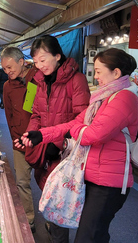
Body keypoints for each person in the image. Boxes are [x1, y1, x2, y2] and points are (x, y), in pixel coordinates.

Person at [18, 48, 138, 243]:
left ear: (116, 73)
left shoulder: (124, 98)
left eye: (99, 71)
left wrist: (78, 130)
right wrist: (41, 135)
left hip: (109, 183)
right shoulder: (102, 98)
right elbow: (75, 123)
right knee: (94, 233)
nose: (96, 76)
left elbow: (93, 135)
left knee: (88, 236)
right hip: (90, 176)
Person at [22, 35, 90, 241]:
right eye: (35, 62)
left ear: (58, 56)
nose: (39, 66)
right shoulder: (39, 82)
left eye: (43, 60)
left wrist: (58, 142)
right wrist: (31, 137)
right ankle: (53, 229)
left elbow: (83, 117)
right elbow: (35, 114)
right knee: (49, 196)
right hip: (45, 150)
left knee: (60, 204)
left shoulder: (76, 80)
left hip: (66, 154)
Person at [0, 47, 39, 232]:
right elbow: (8, 114)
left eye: (10, 67)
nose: (8, 72)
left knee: (47, 183)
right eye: (5, 69)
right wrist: (15, 138)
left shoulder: (39, 79)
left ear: (21, 61)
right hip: (20, 142)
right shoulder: (8, 86)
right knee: (22, 182)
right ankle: (28, 219)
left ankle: (53, 222)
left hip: (41, 141)